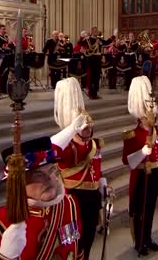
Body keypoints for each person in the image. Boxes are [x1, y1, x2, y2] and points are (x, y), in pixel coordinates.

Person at [0, 137, 83, 259]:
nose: (50, 179)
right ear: (18, 183)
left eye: (52, 170)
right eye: (39, 175)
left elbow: (77, 253)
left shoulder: (69, 204)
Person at [51, 77, 107, 259]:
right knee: (74, 242)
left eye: (90, 127)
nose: (88, 130)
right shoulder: (68, 146)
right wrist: (70, 128)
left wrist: (101, 181)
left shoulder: (94, 144)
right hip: (73, 198)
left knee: (89, 238)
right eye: (84, 127)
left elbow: (96, 166)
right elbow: (53, 148)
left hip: (92, 197)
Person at [122, 76, 158, 255]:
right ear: (142, 115)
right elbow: (126, 160)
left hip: (153, 172)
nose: (153, 116)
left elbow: (157, 151)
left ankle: (147, 237)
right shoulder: (133, 134)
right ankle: (139, 241)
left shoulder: (156, 130)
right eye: (150, 113)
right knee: (139, 210)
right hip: (140, 176)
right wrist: (142, 153)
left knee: (151, 207)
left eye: (153, 113)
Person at [78, 27, 116, 99]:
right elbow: (80, 43)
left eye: (97, 31)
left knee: (97, 77)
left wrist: (114, 35)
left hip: (98, 60)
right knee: (91, 77)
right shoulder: (88, 39)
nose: (97, 32)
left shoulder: (99, 40)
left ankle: (95, 92)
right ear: (91, 32)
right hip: (91, 59)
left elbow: (106, 42)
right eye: (95, 31)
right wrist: (81, 36)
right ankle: (91, 93)